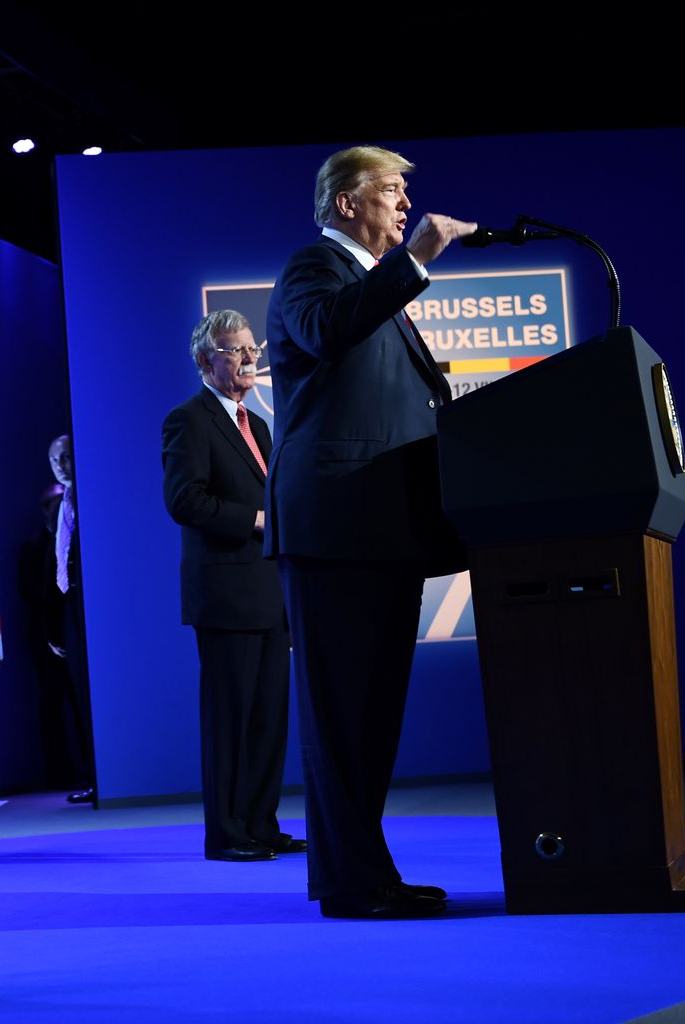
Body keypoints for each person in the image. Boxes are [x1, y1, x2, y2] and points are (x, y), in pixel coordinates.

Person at [265, 146, 475, 918]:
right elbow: (327, 330)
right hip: (335, 528)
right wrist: (415, 259)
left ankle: (367, 873)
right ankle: (351, 884)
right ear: (346, 203)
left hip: (382, 530)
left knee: (372, 717)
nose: (404, 203)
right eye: (389, 190)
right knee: (343, 717)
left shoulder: (368, 283)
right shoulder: (313, 268)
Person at [161, 311, 300, 862]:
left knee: (268, 720)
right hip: (225, 598)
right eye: (233, 349)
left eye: (250, 348)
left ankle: (261, 825)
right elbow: (185, 501)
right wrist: (256, 520)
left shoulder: (258, 425)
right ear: (204, 360)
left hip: (270, 596)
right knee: (229, 723)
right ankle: (226, 834)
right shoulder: (188, 420)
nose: (247, 358)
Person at [44, 434, 97, 804]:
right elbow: (55, 563)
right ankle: (90, 777)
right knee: (77, 693)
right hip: (70, 605)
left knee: (93, 694)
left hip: (93, 601)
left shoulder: (92, 497)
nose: (61, 466)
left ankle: (105, 777)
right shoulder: (58, 506)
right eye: (54, 461)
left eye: (66, 457)